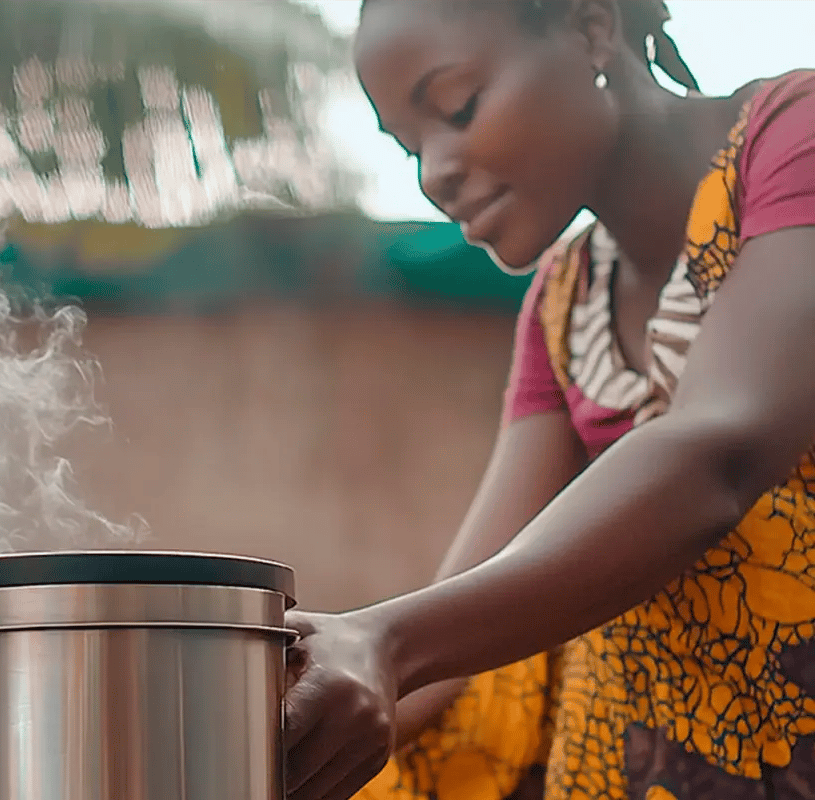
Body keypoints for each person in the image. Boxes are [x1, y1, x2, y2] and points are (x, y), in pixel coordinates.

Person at [281, 1, 815, 798]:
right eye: (410, 148)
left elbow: (719, 454)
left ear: (591, 24)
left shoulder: (791, 145)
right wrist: (288, 691)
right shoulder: (565, 305)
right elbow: (463, 623)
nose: (434, 173)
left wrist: (386, 641)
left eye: (456, 107)